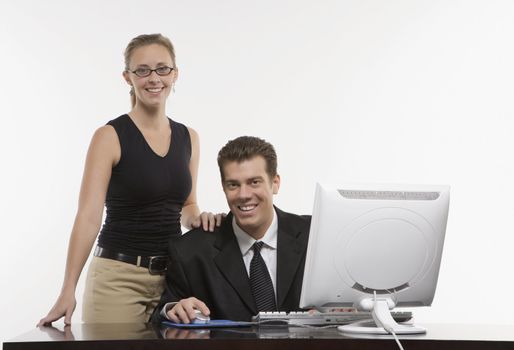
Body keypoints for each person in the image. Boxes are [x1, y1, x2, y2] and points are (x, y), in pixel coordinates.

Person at [38, 33, 222, 326]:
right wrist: (68, 288)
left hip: (173, 281)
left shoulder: (190, 138)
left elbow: (187, 205)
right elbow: (88, 217)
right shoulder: (109, 137)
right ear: (127, 77)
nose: (154, 78)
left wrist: (199, 219)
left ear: (175, 73)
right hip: (117, 280)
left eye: (162, 68)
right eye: (142, 70)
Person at [151, 136, 311, 324]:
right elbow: (161, 315)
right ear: (223, 187)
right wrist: (173, 308)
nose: (243, 195)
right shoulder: (190, 251)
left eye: (254, 182)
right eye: (233, 185)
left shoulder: (314, 235)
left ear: (275, 183)